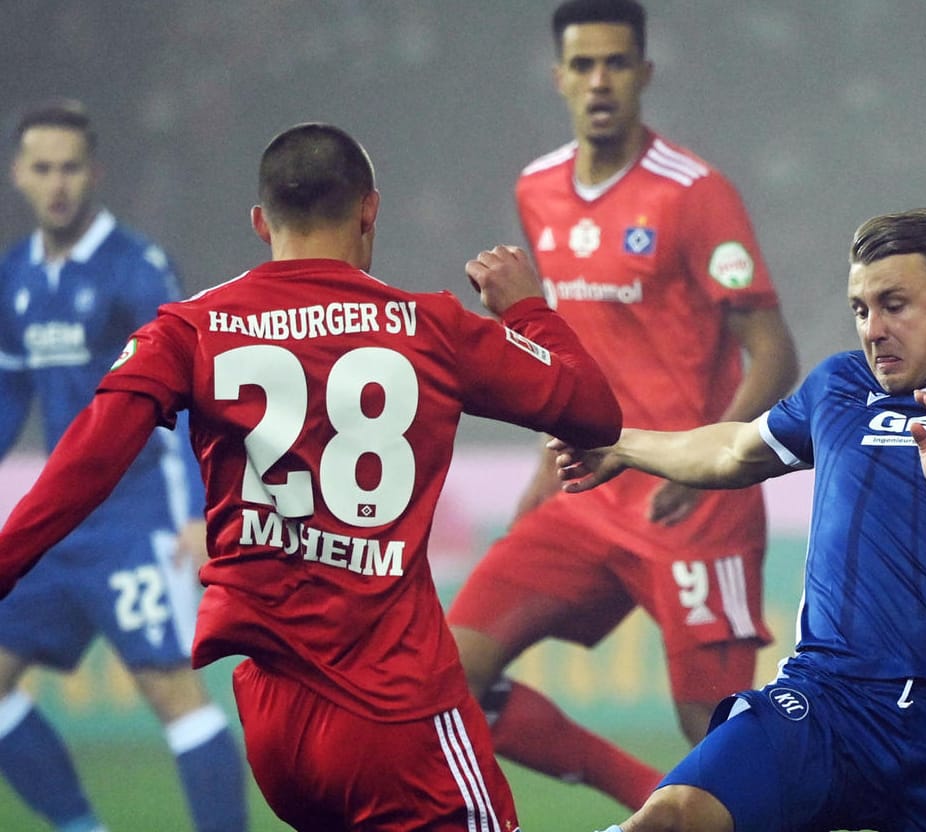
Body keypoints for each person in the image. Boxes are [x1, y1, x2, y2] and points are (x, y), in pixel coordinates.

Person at [0, 121, 624, 831]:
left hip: (276, 733)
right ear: (370, 210)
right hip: (398, 715)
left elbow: (84, 460)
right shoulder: (430, 328)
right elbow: (594, 412)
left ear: (262, 223)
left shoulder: (191, 329)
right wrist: (526, 309)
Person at [558, 208, 926, 832]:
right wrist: (622, 445)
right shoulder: (839, 386)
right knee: (672, 817)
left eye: (894, 305)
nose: (874, 330)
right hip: (830, 699)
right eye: (861, 309)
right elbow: (734, 450)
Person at [445, 0, 799, 810]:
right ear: (559, 77)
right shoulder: (537, 189)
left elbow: (773, 350)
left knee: (718, 741)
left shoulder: (693, 194)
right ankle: (641, 796)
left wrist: (713, 461)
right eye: (583, 65)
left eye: (614, 64)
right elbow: (567, 342)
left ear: (643, 74)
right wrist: (545, 453)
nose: (599, 81)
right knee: (442, 675)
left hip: (691, 504)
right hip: (588, 493)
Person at [0, 100, 247, 832]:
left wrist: (203, 512)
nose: (57, 185)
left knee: (168, 690)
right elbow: (11, 400)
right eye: (42, 169)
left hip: (139, 517)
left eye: (70, 168)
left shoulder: (137, 269)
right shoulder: (15, 276)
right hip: (59, 524)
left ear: (94, 173)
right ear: (18, 174)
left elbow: (199, 392)